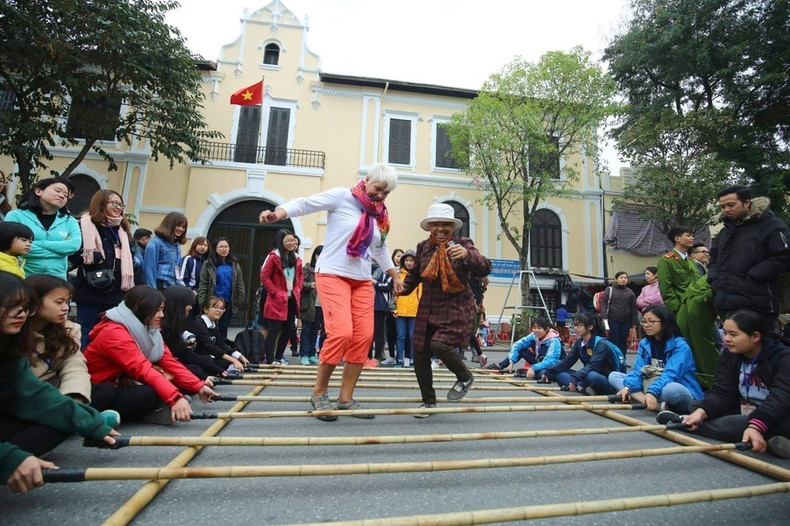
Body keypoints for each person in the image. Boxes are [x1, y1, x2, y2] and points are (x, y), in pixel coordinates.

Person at [258, 163, 403, 421]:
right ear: (367, 180)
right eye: (378, 188)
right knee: (342, 333)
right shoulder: (342, 196)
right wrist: (278, 213)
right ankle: (319, 393)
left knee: (364, 337)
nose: (381, 196)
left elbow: (380, 248)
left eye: (386, 193)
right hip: (333, 273)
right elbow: (304, 204)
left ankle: (345, 398)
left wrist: (394, 275)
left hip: (361, 280)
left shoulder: (379, 215)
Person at [0, 272, 118, 493]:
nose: (21, 313)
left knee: (66, 417)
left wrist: (85, 419)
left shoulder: (16, 342)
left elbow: (37, 391)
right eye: (12, 306)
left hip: (43, 395)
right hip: (23, 403)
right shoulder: (116, 331)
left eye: (24, 307)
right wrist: (8, 458)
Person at [658, 310, 790, 459]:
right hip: (743, 409)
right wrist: (701, 412)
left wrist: (755, 426)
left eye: (733, 334)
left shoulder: (784, 357)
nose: (726, 339)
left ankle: (685, 423)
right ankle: (770, 440)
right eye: (725, 333)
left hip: (778, 414)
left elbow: (780, 399)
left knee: (739, 423)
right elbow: (722, 392)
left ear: (755, 337)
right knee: (698, 406)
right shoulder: (730, 355)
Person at [400, 203, 491, 417]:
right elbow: (415, 276)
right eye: (436, 224)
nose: (440, 228)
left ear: (453, 227)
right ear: (430, 227)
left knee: (439, 344)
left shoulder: (463, 244)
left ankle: (465, 376)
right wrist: (401, 288)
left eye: (445, 225)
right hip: (427, 308)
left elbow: (485, 266)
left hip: (456, 307)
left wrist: (467, 256)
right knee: (420, 354)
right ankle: (428, 402)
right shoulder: (423, 247)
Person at [83, 285, 219, 424]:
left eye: (162, 309)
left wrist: (198, 386)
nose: (162, 315)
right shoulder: (114, 333)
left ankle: (151, 410)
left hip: (122, 383)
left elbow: (170, 362)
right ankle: (98, 416)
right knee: (148, 393)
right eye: (158, 310)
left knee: (170, 382)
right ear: (142, 309)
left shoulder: (148, 329)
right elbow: (142, 369)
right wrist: (175, 398)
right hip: (97, 389)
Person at [709, 185, 790, 319]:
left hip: (758, 303)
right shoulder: (724, 232)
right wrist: (714, 278)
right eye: (722, 207)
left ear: (746, 203)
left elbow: (785, 256)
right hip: (726, 303)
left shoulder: (772, 226)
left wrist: (754, 275)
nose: (726, 210)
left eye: (731, 205)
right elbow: (713, 258)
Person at [610, 305, 703, 413]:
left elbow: (671, 374)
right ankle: (651, 403)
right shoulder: (645, 344)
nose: (646, 325)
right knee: (614, 376)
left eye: (651, 321)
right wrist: (628, 388)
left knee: (671, 389)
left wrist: (652, 392)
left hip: (676, 386)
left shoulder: (680, 346)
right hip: (650, 384)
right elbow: (638, 370)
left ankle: (644, 399)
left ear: (664, 322)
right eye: (644, 322)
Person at [72, 189, 135, 348]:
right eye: (114, 203)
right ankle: (81, 360)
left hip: (115, 292)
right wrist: (94, 257)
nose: (118, 207)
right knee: (85, 330)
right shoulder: (85, 224)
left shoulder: (122, 230)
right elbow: (73, 255)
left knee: (107, 332)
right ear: (101, 203)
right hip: (91, 289)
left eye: (121, 204)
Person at [4, 177, 81, 279]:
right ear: (38, 191)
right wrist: (61, 252)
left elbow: (74, 246)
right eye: (57, 191)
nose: (62, 196)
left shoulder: (69, 220)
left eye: (66, 195)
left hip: (57, 280)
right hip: (21, 278)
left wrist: (36, 244)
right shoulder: (16, 216)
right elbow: (11, 244)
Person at [162, 285, 227, 381]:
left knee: (205, 362)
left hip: (175, 363)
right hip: (165, 367)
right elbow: (174, 359)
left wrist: (218, 369)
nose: (191, 307)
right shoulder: (161, 329)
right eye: (189, 304)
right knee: (195, 369)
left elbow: (184, 353)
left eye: (222, 308)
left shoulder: (174, 327)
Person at [545, 312, 618, 395]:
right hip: (586, 374)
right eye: (575, 325)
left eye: (579, 325)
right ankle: (582, 387)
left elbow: (592, 366)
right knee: (559, 374)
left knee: (591, 376)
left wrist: (575, 377)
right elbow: (568, 361)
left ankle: (582, 386)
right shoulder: (580, 342)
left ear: (590, 327)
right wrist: (549, 370)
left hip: (603, 378)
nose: (575, 328)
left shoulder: (601, 344)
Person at [259, 229, 303, 366]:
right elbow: (264, 277)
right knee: (273, 330)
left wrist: (298, 289)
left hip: (291, 300)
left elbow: (300, 277)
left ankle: (278, 357)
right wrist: (276, 292)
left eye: (293, 241)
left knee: (288, 330)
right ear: (281, 242)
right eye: (288, 241)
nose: (291, 243)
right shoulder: (274, 257)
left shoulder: (296, 258)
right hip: (276, 300)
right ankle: (270, 360)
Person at [197, 237, 245, 338]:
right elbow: (203, 284)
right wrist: (203, 302)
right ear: (215, 249)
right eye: (221, 247)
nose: (224, 249)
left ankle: (222, 346)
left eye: (226, 247)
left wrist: (240, 299)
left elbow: (239, 283)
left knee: (224, 327)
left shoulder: (234, 263)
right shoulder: (208, 264)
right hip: (213, 302)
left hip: (228, 302)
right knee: (211, 327)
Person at [487, 316, 564, 379]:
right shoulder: (534, 336)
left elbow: (550, 361)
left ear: (546, 329)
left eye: (539, 328)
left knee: (542, 374)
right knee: (521, 350)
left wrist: (533, 368)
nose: (536, 330)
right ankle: (500, 366)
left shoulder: (554, 340)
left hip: (553, 365)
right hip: (539, 362)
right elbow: (517, 345)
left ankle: (531, 372)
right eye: (534, 328)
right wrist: (511, 361)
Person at [187, 296, 249, 373]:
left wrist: (239, 356)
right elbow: (210, 347)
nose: (219, 311)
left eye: (222, 308)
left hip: (209, 358)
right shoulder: (199, 324)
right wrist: (233, 360)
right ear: (205, 309)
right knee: (225, 363)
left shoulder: (213, 324)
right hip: (198, 360)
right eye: (216, 307)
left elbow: (221, 344)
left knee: (232, 360)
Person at [656, 225, 698, 318]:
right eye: (688, 235)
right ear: (677, 238)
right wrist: (677, 310)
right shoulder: (666, 261)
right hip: (681, 310)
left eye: (692, 236)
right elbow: (666, 289)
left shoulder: (691, 261)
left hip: (696, 307)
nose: (692, 238)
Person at [143, 212, 188, 290]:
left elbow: (177, 270)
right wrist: (152, 291)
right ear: (170, 224)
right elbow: (149, 269)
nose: (181, 229)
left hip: (172, 288)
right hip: (159, 287)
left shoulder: (177, 246)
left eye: (183, 227)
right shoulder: (155, 242)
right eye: (178, 225)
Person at [600, 271, 638, 355]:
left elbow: (634, 308)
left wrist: (634, 324)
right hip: (612, 320)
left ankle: (622, 359)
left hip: (626, 321)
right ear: (616, 279)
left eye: (625, 278)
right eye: (621, 278)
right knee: (613, 341)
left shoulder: (630, 292)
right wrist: (604, 318)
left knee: (623, 342)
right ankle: (612, 358)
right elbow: (603, 304)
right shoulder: (609, 290)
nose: (623, 279)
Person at [394, 249, 420, 368]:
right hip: (400, 311)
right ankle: (399, 360)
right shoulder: (398, 275)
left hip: (415, 311)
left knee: (413, 337)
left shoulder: (419, 277)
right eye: (407, 260)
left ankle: (414, 361)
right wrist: (394, 309)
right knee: (400, 337)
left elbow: (421, 294)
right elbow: (394, 294)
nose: (409, 263)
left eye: (411, 260)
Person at [299, 245, 323, 366]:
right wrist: (310, 285)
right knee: (306, 330)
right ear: (315, 255)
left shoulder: (327, 270)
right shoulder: (307, 269)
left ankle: (311, 354)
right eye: (319, 254)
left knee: (315, 330)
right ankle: (304, 354)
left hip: (321, 304)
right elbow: (299, 283)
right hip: (309, 304)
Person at [371, 257, 394, 363]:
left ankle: (377, 356)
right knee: (368, 332)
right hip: (368, 304)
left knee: (379, 332)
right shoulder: (367, 268)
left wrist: (375, 282)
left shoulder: (388, 272)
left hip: (380, 305)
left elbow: (387, 287)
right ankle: (366, 356)